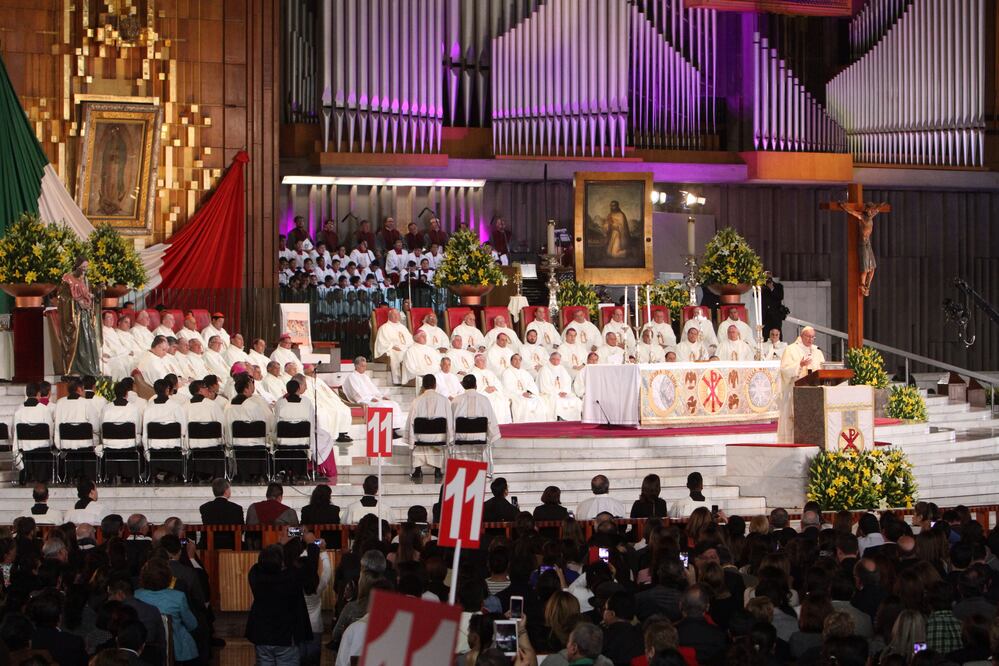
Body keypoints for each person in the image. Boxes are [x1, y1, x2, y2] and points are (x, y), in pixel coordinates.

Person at [245, 541, 317, 665]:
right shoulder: (291, 578)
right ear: (282, 563)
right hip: (286, 638)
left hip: (262, 636)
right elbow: (309, 571)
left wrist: (276, 550)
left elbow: (260, 565)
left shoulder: (256, 575)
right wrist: (312, 545)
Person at [135, 558, 199, 664]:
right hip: (178, 650)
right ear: (168, 577)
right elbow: (192, 624)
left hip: (145, 648)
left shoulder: (137, 595)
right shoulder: (178, 597)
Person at [777, 326, 825, 442]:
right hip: (795, 392)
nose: (811, 340)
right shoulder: (791, 349)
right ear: (802, 336)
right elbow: (784, 370)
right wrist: (800, 365)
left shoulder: (817, 351)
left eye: (813, 337)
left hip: (814, 393)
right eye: (808, 337)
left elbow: (822, 369)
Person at [57, 256, 101, 376]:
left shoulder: (85, 280)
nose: (84, 270)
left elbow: (88, 294)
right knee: (78, 341)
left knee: (88, 340)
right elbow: (62, 298)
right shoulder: (67, 279)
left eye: (86, 267)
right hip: (75, 316)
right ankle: (75, 368)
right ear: (77, 266)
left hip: (85, 315)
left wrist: (96, 293)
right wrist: (76, 302)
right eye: (82, 267)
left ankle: (89, 367)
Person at [406, 374, 453, 481]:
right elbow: (449, 422)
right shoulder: (445, 401)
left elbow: (411, 422)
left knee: (419, 442)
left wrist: (411, 440)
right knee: (438, 443)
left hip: (421, 437)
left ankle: (418, 469)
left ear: (423, 386)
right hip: (439, 438)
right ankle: (438, 470)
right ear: (435, 385)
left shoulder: (416, 401)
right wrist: (450, 438)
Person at [451, 374, 501, 471]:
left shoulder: (456, 400)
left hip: (461, 440)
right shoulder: (484, 400)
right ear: (476, 385)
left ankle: (460, 472)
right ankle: (484, 472)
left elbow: (451, 422)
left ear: (463, 385)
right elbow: (491, 421)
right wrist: (491, 436)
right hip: (480, 440)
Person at [342, 356, 403, 424]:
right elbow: (356, 394)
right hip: (365, 401)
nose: (364, 368)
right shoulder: (352, 377)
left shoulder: (365, 377)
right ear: (356, 366)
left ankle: (395, 428)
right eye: (362, 366)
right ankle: (385, 428)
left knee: (394, 404)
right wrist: (370, 399)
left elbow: (373, 389)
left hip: (373, 399)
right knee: (382, 405)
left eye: (365, 366)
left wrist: (381, 396)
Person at [12, 382, 55, 479]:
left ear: (26, 393)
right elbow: (50, 431)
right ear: (39, 394)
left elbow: (15, 431)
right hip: (42, 450)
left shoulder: (19, 411)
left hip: (25, 450)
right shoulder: (44, 410)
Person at [502, 353, 550, 422]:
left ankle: (538, 423)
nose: (517, 361)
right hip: (516, 395)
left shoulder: (524, 372)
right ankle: (524, 424)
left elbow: (531, 384)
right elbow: (507, 387)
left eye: (519, 360)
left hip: (527, 394)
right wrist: (521, 393)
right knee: (525, 402)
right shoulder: (506, 373)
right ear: (511, 361)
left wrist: (529, 392)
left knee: (539, 401)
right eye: (515, 359)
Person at [537, 351, 583, 421]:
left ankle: (574, 420)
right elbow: (545, 386)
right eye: (553, 359)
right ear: (549, 359)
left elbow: (568, 381)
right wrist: (558, 393)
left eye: (558, 359)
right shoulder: (545, 369)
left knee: (575, 400)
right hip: (550, 393)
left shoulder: (561, 368)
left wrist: (564, 391)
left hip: (563, 393)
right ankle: (559, 419)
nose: (556, 361)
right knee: (555, 401)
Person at [373, 308, 414, 384]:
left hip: (405, 349)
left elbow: (410, 341)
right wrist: (392, 346)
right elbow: (382, 342)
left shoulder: (403, 328)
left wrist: (409, 348)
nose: (396, 316)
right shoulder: (384, 328)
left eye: (397, 314)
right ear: (389, 316)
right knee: (400, 354)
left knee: (413, 353)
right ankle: (400, 379)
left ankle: (412, 378)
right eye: (394, 314)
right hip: (394, 349)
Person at [469, 354, 512, 424]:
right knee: (492, 401)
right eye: (481, 361)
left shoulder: (489, 372)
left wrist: (495, 387)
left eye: (484, 360)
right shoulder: (472, 373)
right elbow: (472, 386)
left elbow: (498, 383)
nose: (483, 362)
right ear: (476, 362)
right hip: (481, 393)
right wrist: (484, 388)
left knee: (503, 400)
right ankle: (492, 424)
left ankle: (503, 424)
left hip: (494, 392)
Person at [761, 271, 787, 337]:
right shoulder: (762, 287)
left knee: (777, 333)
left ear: (771, 277)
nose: (767, 279)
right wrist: (760, 286)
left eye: (768, 277)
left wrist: (772, 288)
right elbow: (755, 295)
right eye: (765, 277)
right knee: (765, 334)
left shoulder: (778, 286)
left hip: (776, 315)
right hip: (765, 316)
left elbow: (780, 296)